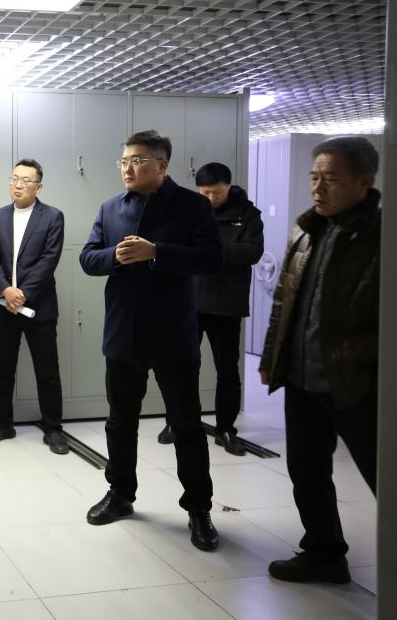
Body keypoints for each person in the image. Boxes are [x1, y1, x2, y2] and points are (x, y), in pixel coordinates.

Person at [79, 130, 223, 552]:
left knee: (186, 425)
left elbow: (213, 259)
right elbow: (88, 257)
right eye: (123, 161)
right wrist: (114, 256)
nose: (127, 168)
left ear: (161, 165)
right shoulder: (110, 208)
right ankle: (120, 493)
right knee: (120, 420)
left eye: (137, 160)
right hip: (123, 333)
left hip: (173, 334)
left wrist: (157, 252)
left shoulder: (192, 206)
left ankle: (198, 508)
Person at [260, 136, 380, 584]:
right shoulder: (306, 230)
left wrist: (352, 356)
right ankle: (324, 553)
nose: (317, 187)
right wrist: (273, 358)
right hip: (302, 379)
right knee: (307, 471)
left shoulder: (382, 237)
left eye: (330, 178)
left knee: (383, 475)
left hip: (356, 382)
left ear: (365, 182)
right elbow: (284, 301)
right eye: (314, 177)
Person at [157, 163, 263, 455]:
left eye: (217, 192)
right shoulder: (190, 210)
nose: (211, 198)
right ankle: (176, 422)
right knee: (181, 367)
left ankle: (226, 428)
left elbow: (252, 252)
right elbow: (174, 249)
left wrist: (208, 251)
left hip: (227, 304)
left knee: (228, 370)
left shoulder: (247, 214)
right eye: (205, 193)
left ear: (229, 185)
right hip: (188, 302)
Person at [0, 158, 69, 454]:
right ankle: (1, 424)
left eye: (25, 181)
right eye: (14, 179)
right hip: (4, 307)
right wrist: (5, 290)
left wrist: (24, 293)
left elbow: (50, 258)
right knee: (2, 369)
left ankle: (53, 428)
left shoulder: (52, 216)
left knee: (47, 371)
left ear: (38, 186)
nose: (17, 185)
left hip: (39, 308)